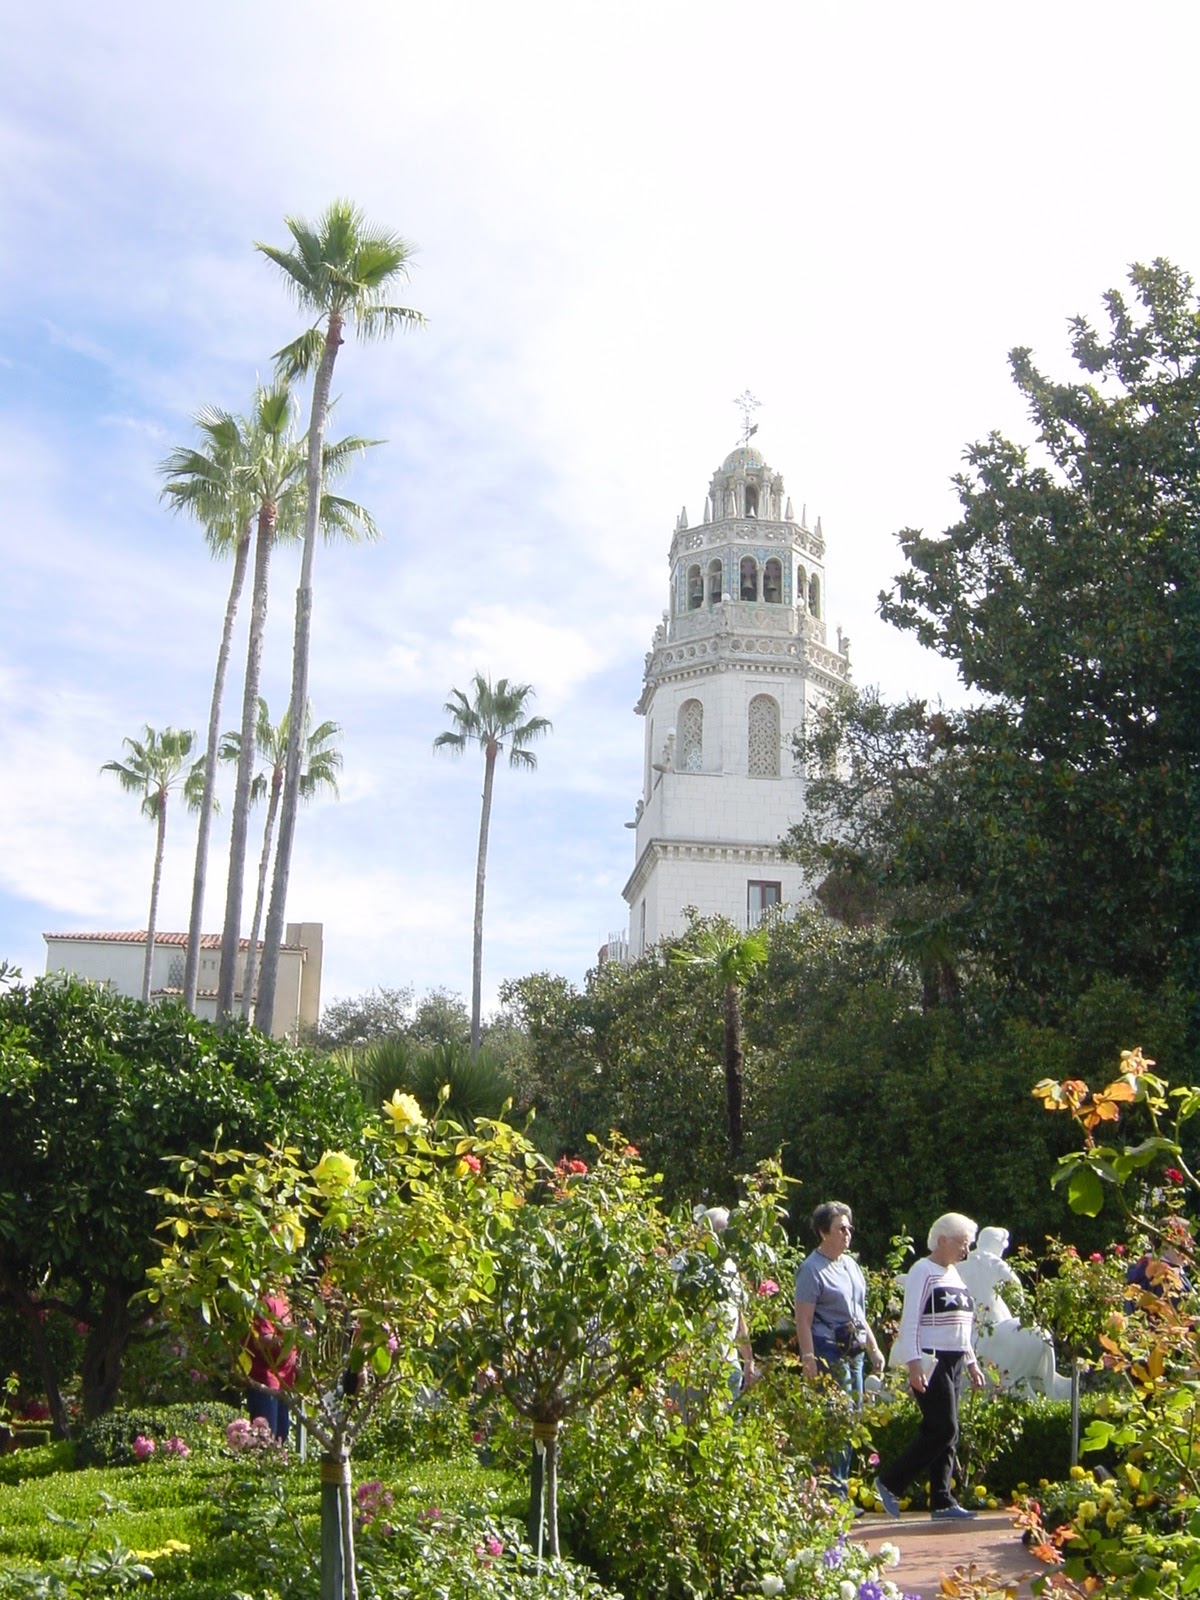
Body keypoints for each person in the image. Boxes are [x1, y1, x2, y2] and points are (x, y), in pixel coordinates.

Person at [874, 1212, 985, 1521]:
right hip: (930, 1358)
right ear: (942, 1240)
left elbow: (964, 1324)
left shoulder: (954, 1274)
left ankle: (942, 1500)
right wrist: (913, 1364)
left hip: (955, 1358)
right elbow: (910, 1321)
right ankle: (889, 1482)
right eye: (962, 1243)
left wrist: (972, 1362)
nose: (965, 1251)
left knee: (951, 1432)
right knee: (942, 1427)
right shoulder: (923, 1270)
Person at [795, 1201, 885, 1499]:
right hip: (828, 1349)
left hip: (854, 1349)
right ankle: (833, 1492)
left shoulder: (850, 1265)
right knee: (837, 1418)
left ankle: (837, 1488)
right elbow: (803, 1320)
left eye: (849, 1228)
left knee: (852, 1418)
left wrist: (874, 1349)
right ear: (823, 1232)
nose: (847, 1234)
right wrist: (808, 1358)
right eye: (840, 1229)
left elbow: (859, 1312)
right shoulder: (811, 1270)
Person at [246, 1289, 298, 1443]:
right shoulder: (264, 1300)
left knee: (281, 1441)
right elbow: (262, 1340)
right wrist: (294, 1338)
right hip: (266, 1382)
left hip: (283, 1382)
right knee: (266, 1443)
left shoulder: (283, 1298)